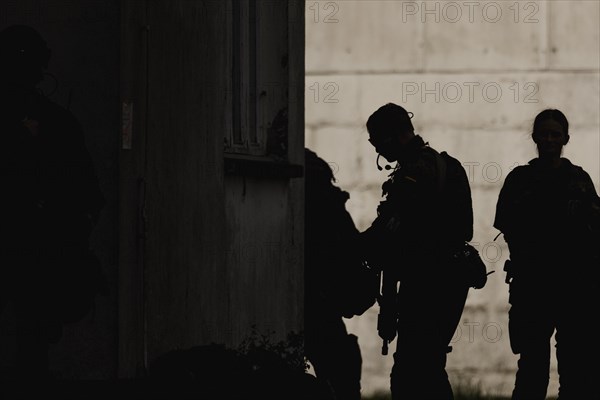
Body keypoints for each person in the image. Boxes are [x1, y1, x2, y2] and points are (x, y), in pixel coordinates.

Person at [0, 25, 105, 379]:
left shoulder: (55, 124)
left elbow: (87, 196)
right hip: (36, 254)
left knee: (30, 345)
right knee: (29, 346)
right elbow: (88, 197)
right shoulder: (56, 121)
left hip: (36, 255)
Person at [361, 103, 473, 399]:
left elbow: (391, 232)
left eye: (376, 142)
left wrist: (352, 246)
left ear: (391, 137)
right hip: (442, 280)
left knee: (416, 369)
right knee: (425, 365)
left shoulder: (417, 171)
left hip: (430, 282)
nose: (377, 150)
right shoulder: (439, 165)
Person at [494, 109, 600, 399]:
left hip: (575, 290)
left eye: (556, 134)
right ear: (535, 137)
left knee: (577, 373)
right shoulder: (520, 180)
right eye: (544, 134)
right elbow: (508, 226)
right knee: (531, 371)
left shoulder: (579, 180)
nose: (550, 140)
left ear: (566, 138)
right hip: (533, 289)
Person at [304, 148, 377, 400]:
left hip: (319, 300)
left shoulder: (322, 207)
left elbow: (348, 250)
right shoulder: (330, 205)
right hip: (322, 300)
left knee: (337, 370)